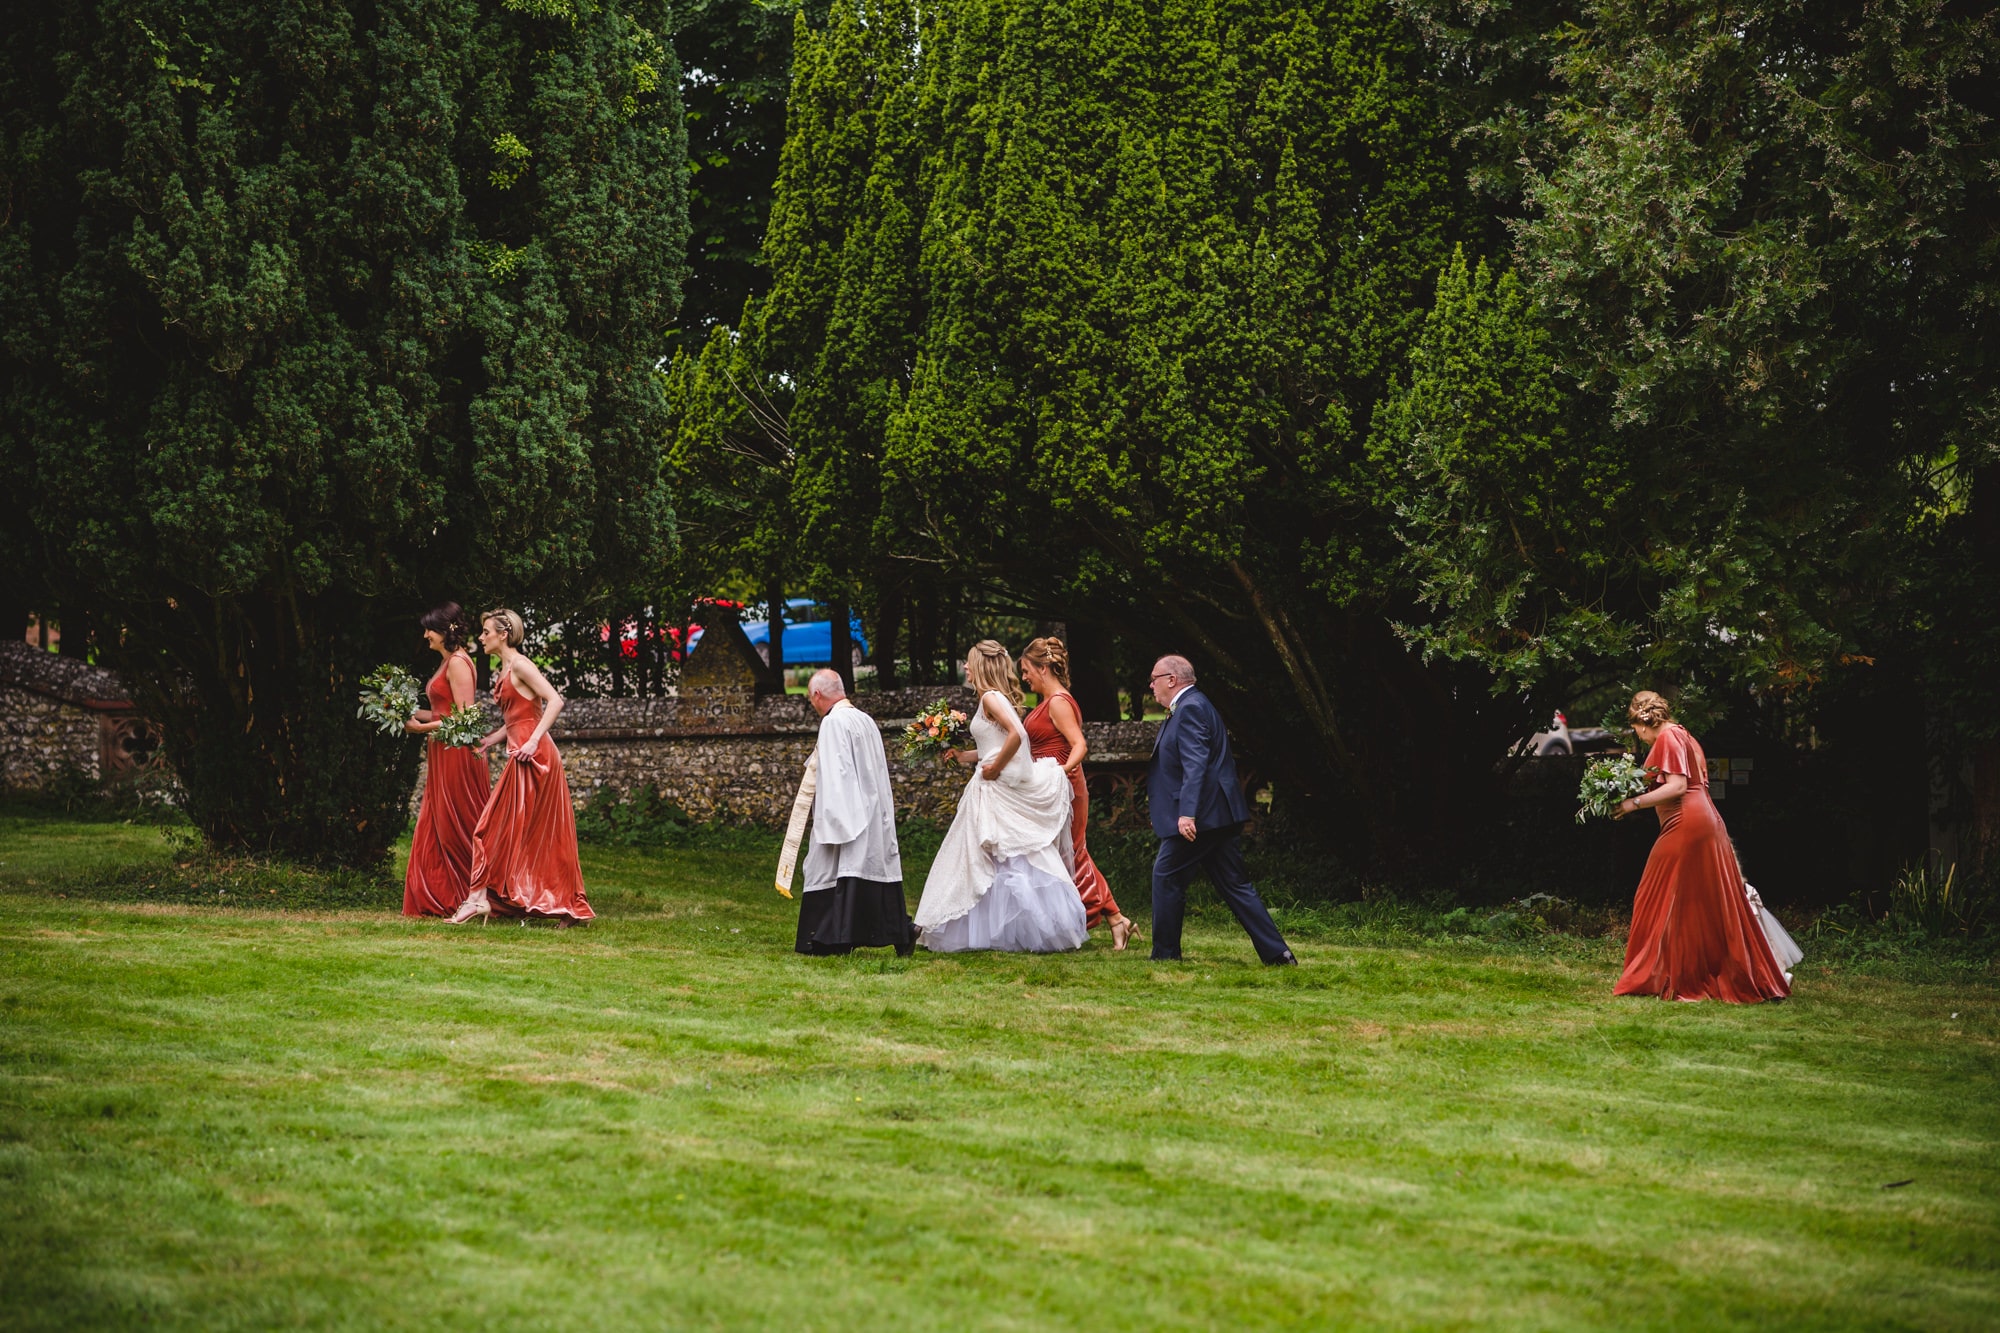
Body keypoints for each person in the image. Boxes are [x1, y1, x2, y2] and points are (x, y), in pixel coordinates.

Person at [1612, 691, 1788, 1002]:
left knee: (1654, 893)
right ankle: (1688, 971)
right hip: (1701, 819)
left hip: (1687, 823)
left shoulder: (1667, 738)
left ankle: (1665, 975)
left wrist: (1632, 804)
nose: (1637, 735)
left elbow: (1677, 786)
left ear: (1641, 722)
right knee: (1700, 901)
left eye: (1634, 728)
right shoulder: (1683, 735)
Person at [914, 641, 1088, 953]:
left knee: (1009, 855)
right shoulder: (987, 698)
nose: (965, 668)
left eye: (968, 663)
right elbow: (990, 748)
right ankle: (995, 929)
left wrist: (995, 770)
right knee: (996, 856)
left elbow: (1017, 735)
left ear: (980, 665)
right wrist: (963, 755)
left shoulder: (992, 697)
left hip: (993, 786)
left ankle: (1036, 927)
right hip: (985, 783)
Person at [1145, 655, 1296, 965]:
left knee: (1166, 876)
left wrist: (1188, 813)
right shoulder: (1194, 706)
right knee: (1235, 885)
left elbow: (1196, 764)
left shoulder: (1190, 709)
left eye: (1154, 678)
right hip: (1217, 815)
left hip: (1203, 816)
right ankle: (1279, 955)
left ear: (1172, 679)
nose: (1151, 685)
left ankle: (1165, 955)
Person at [452, 609, 593, 926]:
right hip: (522, 756)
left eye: (486, 631)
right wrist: (490, 741)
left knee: (492, 830)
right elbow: (516, 718)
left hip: (536, 758)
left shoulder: (521, 665)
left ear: (502, 634)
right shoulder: (505, 669)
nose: (481, 637)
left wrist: (533, 742)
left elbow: (554, 701)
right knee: (521, 835)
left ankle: (479, 900)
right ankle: (554, 905)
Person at [1020, 637, 1139, 950]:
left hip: (1066, 789)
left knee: (1072, 853)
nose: (1024, 677)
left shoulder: (1058, 701)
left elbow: (1080, 745)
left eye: (1026, 670)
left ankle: (1114, 919)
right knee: (1069, 853)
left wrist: (1061, 772)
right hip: (1049, 789)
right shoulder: (1047, 702)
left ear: (1042, 668)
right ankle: (1117, 920)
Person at [793, 668, 916, 955]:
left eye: (811, 699)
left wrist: (833, 821)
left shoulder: (833, 722)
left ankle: (831, 939)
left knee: (835, 872)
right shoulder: (865, 719)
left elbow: (838, 774)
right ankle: (901, 931)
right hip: (872, 809)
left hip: (849, 814)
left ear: (817, 695)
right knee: (872, 872)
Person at [402, 602, 491, 917]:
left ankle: (478, 894)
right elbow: (443, 712)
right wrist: (403, 712)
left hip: (458, 754)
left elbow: (464, 719)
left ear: (446, 631)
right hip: (442, 751)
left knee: (458, 822)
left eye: (429, 629)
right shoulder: (446, 661)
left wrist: (421, 728)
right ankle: (441, 894)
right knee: (438, 821)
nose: (425, 635)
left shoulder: (458, 663)